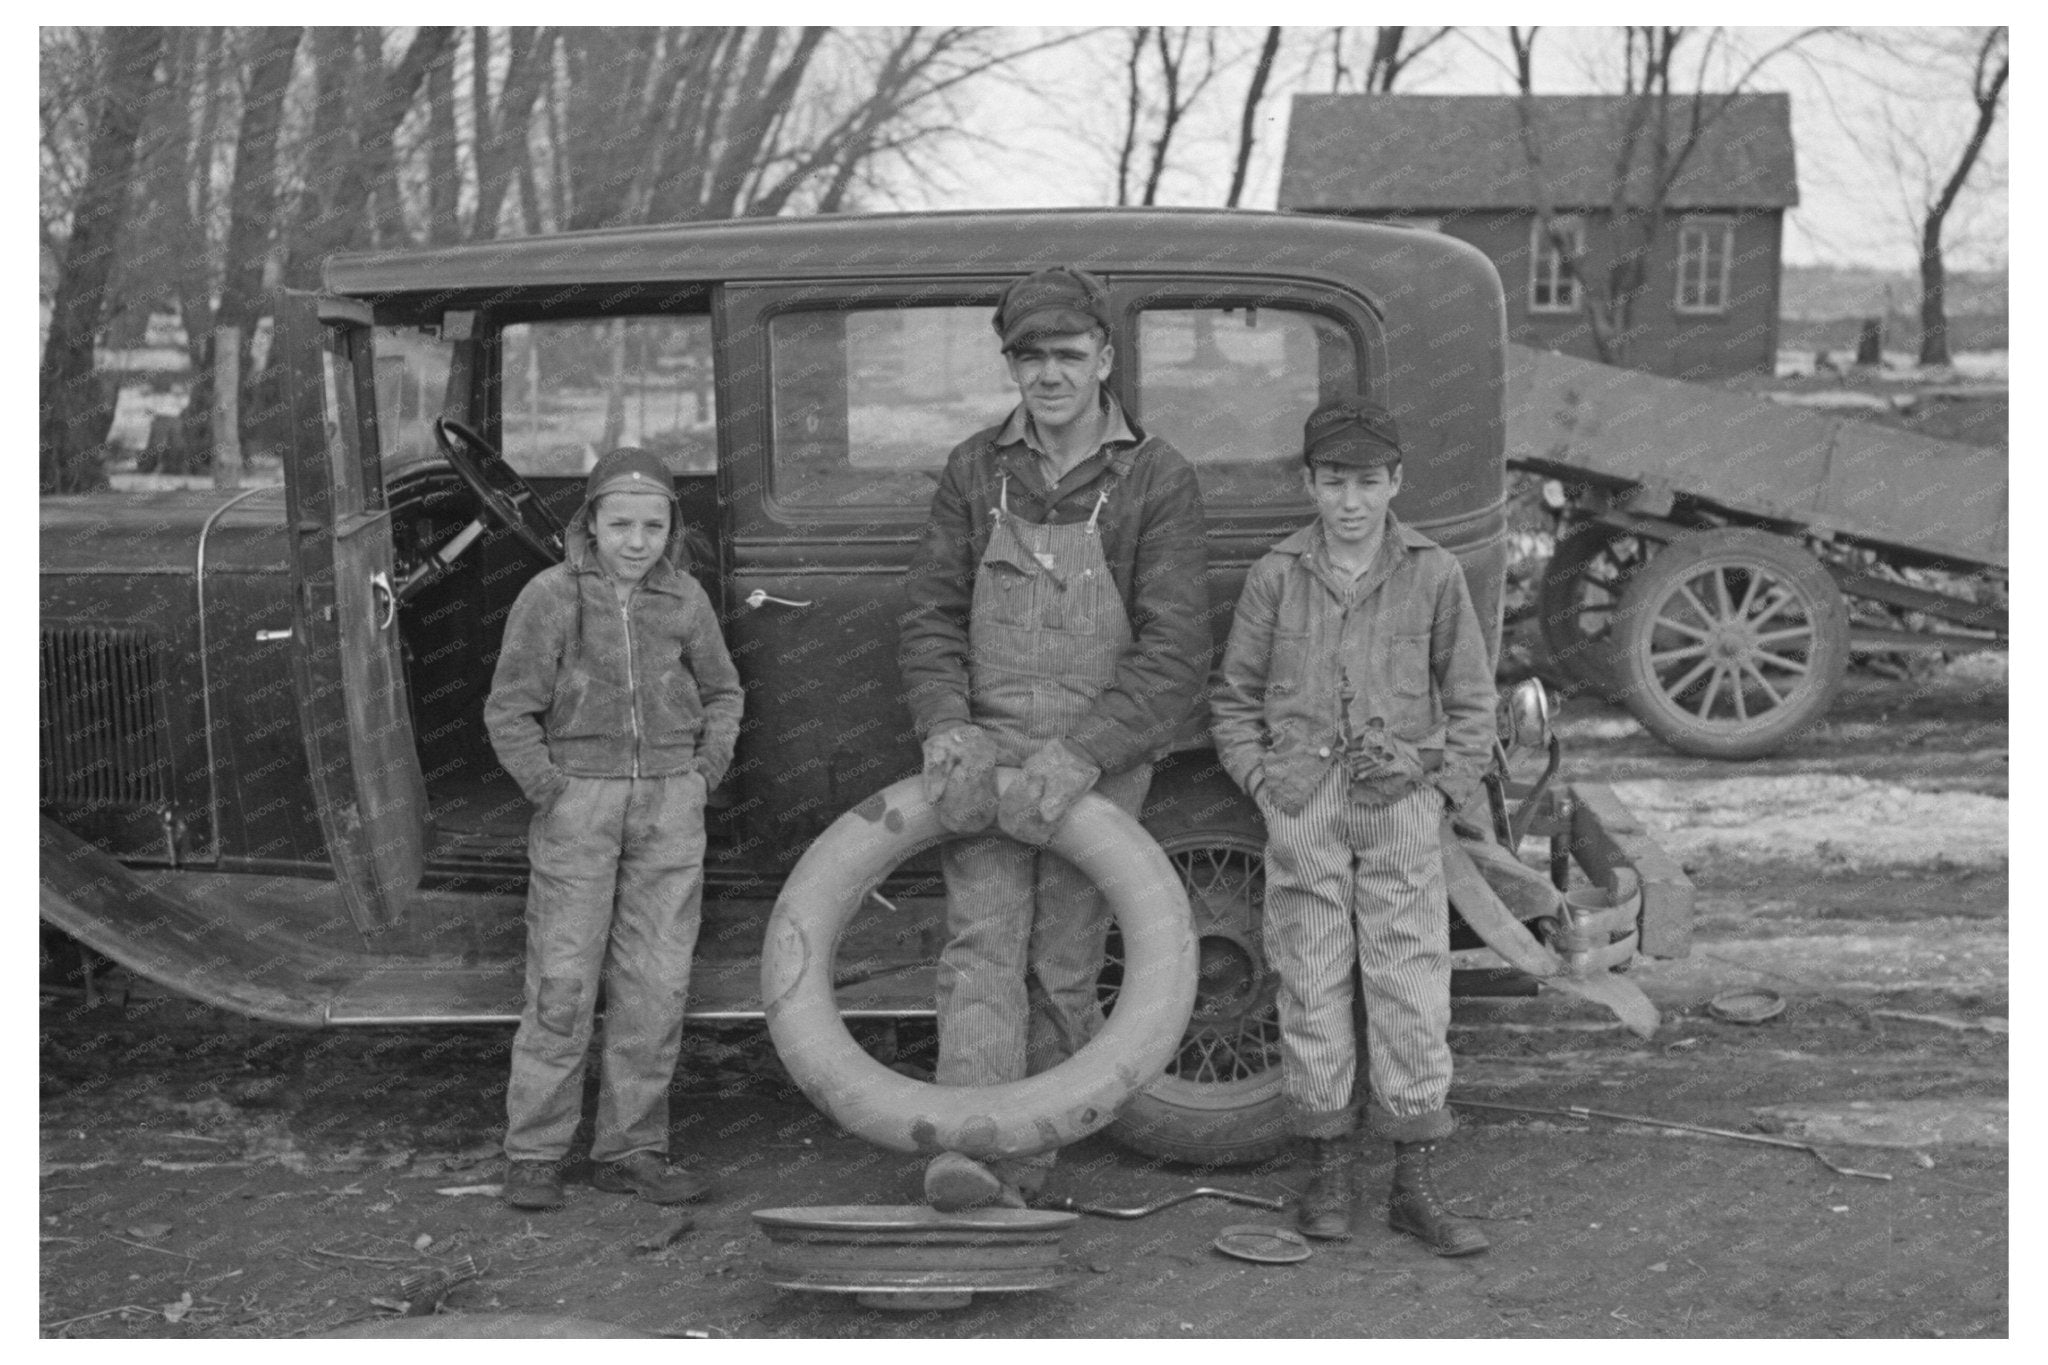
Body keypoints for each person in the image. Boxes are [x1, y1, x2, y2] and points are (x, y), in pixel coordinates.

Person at [899, 265, 1211, 1211]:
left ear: (1105, 359)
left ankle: (1031, 1161)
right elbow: (930, 616)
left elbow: (1174, 647)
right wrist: (948, 726)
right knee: (980, 945)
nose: (1048, 373)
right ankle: (967, 1154)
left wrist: (1086, 754)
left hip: (1096, 761)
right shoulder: (974, 468)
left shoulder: (1157, 476)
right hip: (988, 753)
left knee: (1066, 960)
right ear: (1010, 364)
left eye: (1068, 354)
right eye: (1028, 355)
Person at [1209, 399, 1497, 1255]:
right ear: (1309, 483)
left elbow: (1475, 702)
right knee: (1310, 976)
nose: (1350, 502)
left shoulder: (1434, 573)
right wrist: (1264, 781)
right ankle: (1326, 1171)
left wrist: (1440, 790)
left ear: (1394, 483)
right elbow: (1232, 702)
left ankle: (1414, 1183)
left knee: (1411, 982)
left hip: (1399, 803)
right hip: (1304, 805)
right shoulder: (1275, 576)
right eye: (1333, 482)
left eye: (1367, 482)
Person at [484, 447, 744, 1211]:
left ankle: (633, 1148)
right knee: (563, 979)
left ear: (672, 528)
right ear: (589, 522)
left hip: (669, 806)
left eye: (653, 524)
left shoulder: (686, 600)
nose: (637, 540)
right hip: (580, 807)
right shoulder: (549, 596)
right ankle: (534, 1152)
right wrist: (550, 788)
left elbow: (724, 692)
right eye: (620, 522)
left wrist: (701, 775)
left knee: (655, 983)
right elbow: (509, 708)